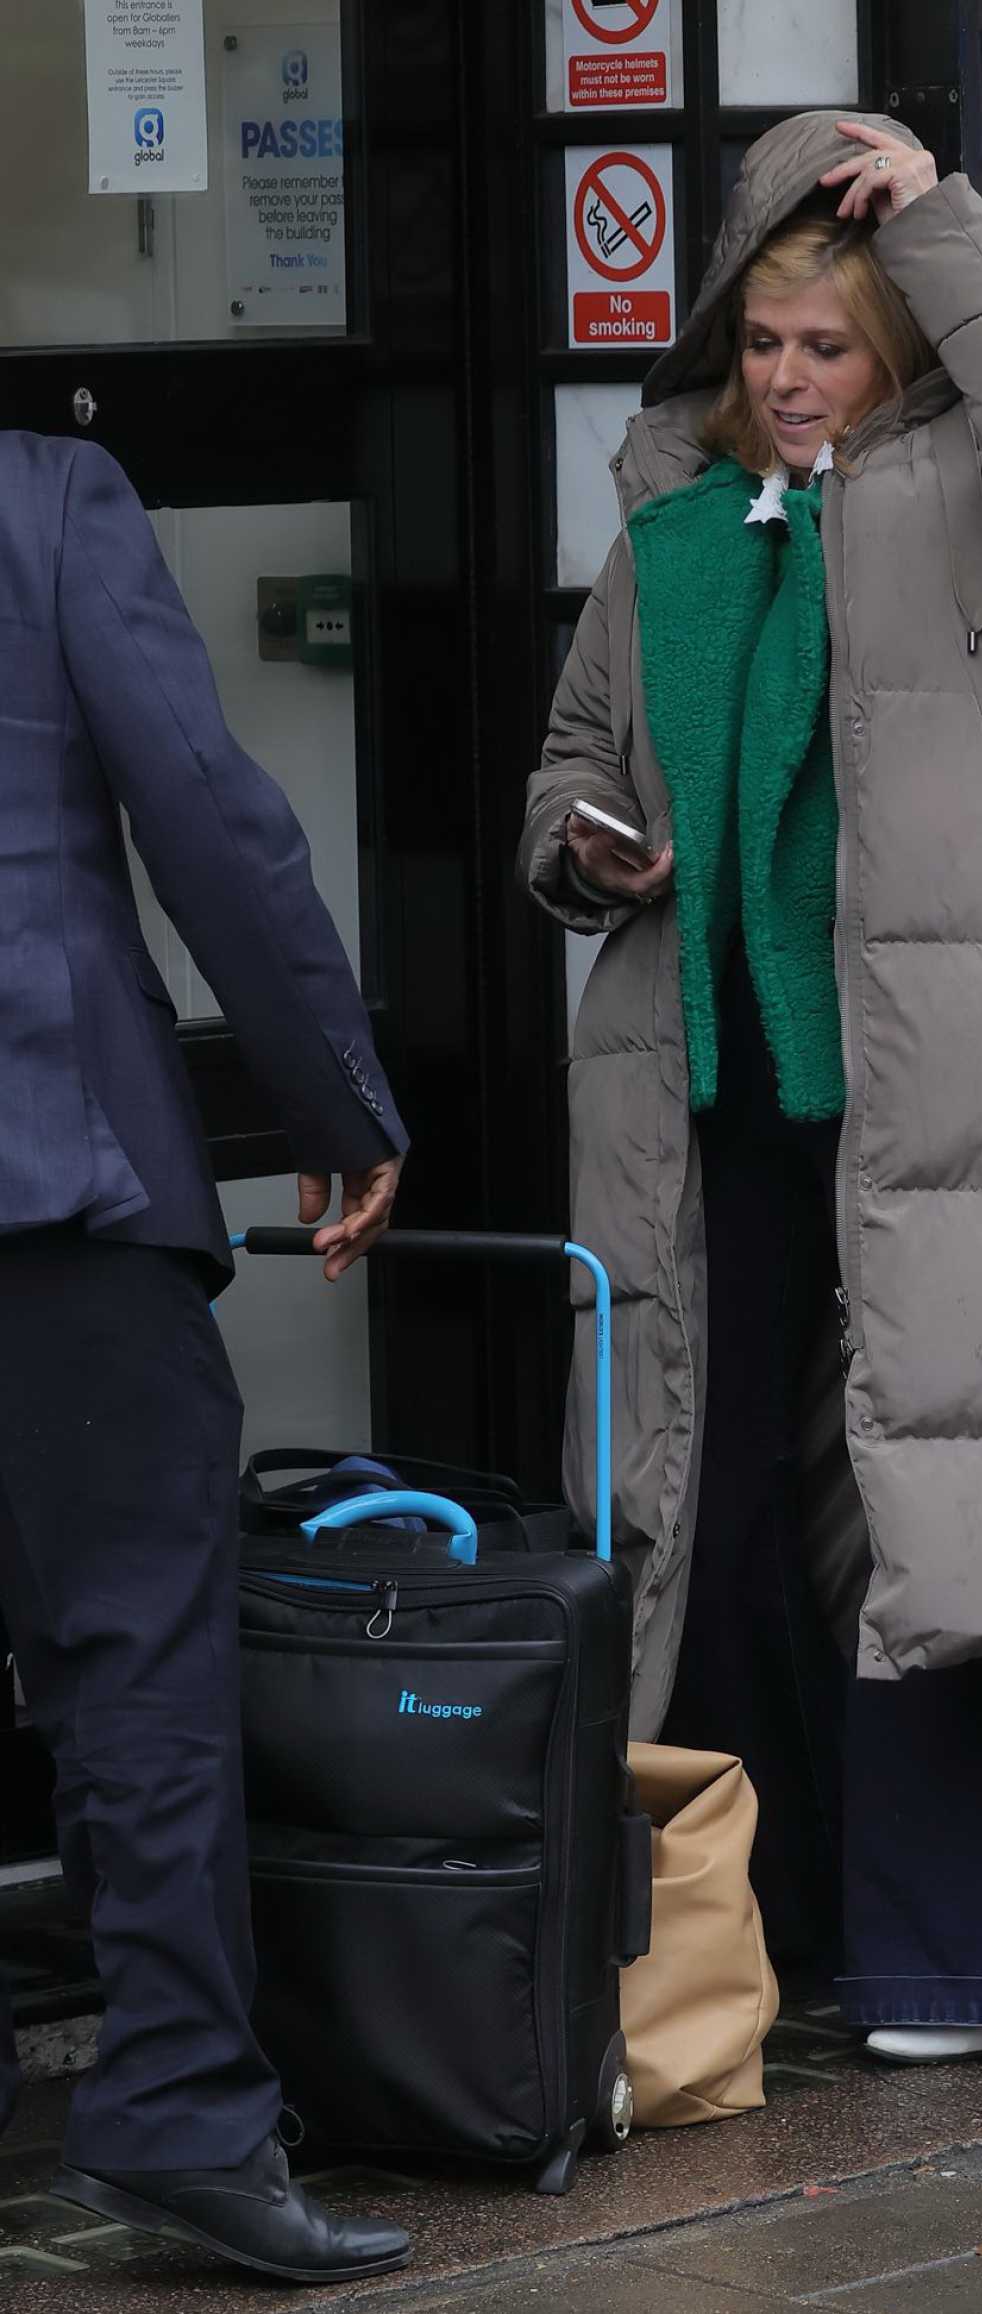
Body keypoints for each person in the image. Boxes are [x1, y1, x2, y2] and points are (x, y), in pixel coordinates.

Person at [521, 113, 982, 2064]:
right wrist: (578, 844)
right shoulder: (672, 512)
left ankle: (975, 1957)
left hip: (961, 1102)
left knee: (952, 1515)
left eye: (829, 344)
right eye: (763, 342)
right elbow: (579, 747)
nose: (786, 377)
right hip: (723, 1097)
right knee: (726, 1506)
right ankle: (767, 1929)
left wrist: (942, 221)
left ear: (904, 351)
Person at [0, 431, 412, 2280]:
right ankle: (176, 2108)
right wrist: (326, 1083)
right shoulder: (47, 500)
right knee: (138, 1649)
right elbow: (201, 805)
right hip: (55, 1167)